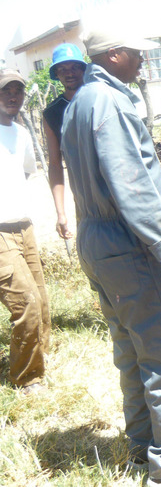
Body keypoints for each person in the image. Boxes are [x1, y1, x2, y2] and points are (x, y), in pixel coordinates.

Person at [60, 30, 161, 487]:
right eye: (136, 55)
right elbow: (131, 184)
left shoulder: (78, 102)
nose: (143, 63)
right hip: (131, 245)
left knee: (132, 353)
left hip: (98, 241)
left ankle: (142, 449)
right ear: (114, 55)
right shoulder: (109, 102)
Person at [0, 69, 52, 396]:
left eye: (18, 91)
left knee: (43, 302)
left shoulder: (21, 133)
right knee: (26, 303)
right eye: (6, 90)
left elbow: (27, 172)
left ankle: (41, 360)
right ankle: (26, 379)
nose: (13, 96)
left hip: (24, 225)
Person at [43, 43, 85, 239]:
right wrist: (61, 213)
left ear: (83, 68)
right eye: (62, 69)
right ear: (56, 74)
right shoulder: (53, 113)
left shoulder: (100, 99)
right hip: (84, 194)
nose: (69, 73)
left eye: (74, 67)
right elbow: (54, 164)